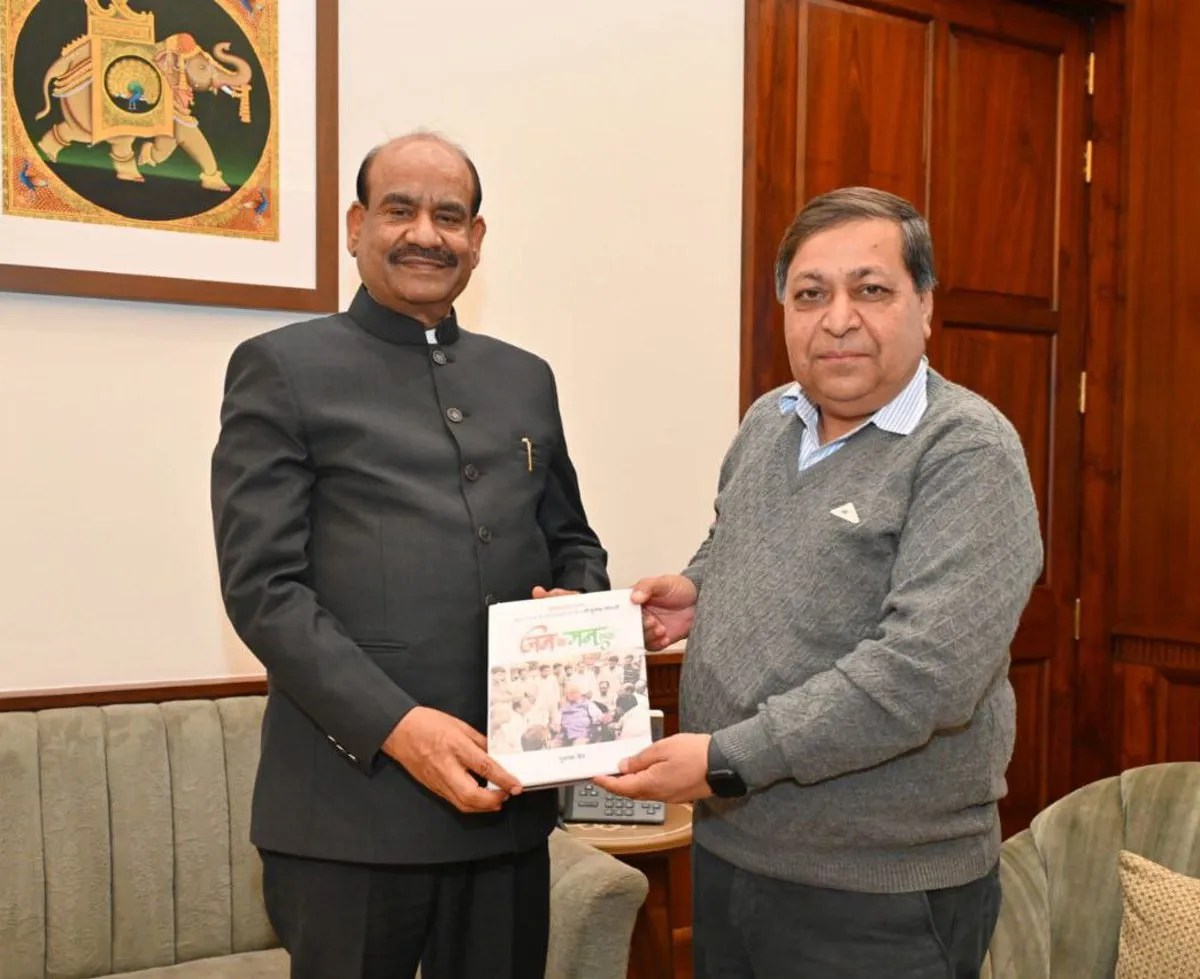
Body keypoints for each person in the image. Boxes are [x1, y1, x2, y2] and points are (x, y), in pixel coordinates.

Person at [595, 187, 1042, 978]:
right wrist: (698, 589)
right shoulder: (771, 419)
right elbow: (738, 543)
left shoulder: (968, 452)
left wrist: (727, 757)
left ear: (925, 305)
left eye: (870, 289)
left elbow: (924, 675)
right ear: (784, 311)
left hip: (877, 896)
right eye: (810, 294)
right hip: (732, 856)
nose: (838, 318)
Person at [211, 131, 609, 979]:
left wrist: (576, 607)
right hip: (348, 816)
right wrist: (398, 727)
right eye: (400, 209)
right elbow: (264, 589)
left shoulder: (525, 377)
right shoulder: (281, 368)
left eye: (449, 216)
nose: (426, 233)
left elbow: (573, 540)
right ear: (356, 226)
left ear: (477, 239)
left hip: (506, 804)